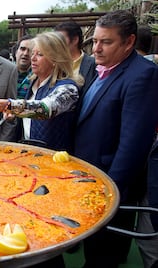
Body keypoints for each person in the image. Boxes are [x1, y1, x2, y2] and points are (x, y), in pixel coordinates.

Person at [73, 10, 158, 268]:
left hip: (110, 185)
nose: (96, 49)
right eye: (95, 41)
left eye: (106, 42)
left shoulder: (142, 74)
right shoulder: (100, 67)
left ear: (129, 42)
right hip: (88, 179)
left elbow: (133, 144)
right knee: (92, 250)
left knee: (104, 257)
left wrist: (111, 193)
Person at [0, 31, 83, 153]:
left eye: (40, 54)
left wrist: (4, 105)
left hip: (54, 160)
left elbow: (44, 109)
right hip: (30, 155)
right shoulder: (33, 83)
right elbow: (29, 116)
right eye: (33, 53)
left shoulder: (68, 89)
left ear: (55, 59)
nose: (33, 58)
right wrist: (13, 114)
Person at [54, 20, 97, 92]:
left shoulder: (93, 65)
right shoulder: (53, 64)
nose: (56, 43)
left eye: (60, 40)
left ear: (75, 40)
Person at [13, 34, 34, 142]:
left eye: (30, 50)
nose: (25, 53)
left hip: (26, 127)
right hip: (5, 124)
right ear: (16, 51)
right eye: (22, 49)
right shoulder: (4, 72)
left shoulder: (37, 77)